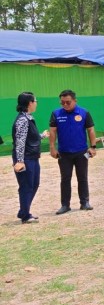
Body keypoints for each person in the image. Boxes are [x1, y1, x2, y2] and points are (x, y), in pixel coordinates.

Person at [49, 89, 96, 214]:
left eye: (68, 102)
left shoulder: (84, 112)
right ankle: (65, 205)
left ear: (75, 100)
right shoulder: (56, 113)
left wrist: (93, 147)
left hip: (82, 152)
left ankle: (84, 202)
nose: (65, 105)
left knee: (82, 177)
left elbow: (91, 130)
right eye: (62, 102)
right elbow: (52, 131)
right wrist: (52, 148)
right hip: (63, 153)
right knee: (65, 179)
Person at [12, 92, 42, 224]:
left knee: (34, 184)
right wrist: (20, 161)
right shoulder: (23, 120)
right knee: (26, 186)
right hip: (26, 159)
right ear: (30, 103)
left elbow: (29, 138)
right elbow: (20, 142)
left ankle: (24, 211)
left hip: (32, 157)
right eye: (35, 101)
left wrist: (42, 136)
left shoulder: (28, 118)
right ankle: (25, 215)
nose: (36, 103)